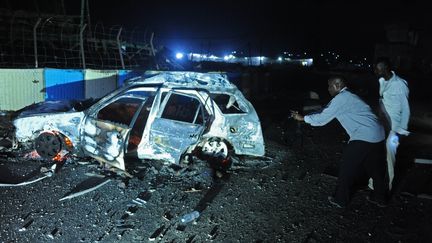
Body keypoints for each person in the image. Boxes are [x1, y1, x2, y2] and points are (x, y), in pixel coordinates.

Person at [291, 76, 388, 208]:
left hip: (363, 136)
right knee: (375, 169)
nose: (328, 89)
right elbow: (326, 110)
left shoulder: (342, 98)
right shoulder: (348, 96)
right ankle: (380, 198)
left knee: (347, 168)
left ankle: (340, 199)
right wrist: (306, 115)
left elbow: (322, 119)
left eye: (330, 86)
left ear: (337, 85)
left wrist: (302, 118)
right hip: (378, 134)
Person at [373, 57, 410, 191]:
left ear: (385, 69)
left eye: (377, 69)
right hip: (383, 125)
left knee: (390, 159)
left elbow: (406, 108)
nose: (375, 71)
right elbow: (382, 101)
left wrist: (402, 129)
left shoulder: (400, 84)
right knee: (379, 155)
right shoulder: (382, 81)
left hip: (394, 128)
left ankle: (387, 189)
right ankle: (374, 185)